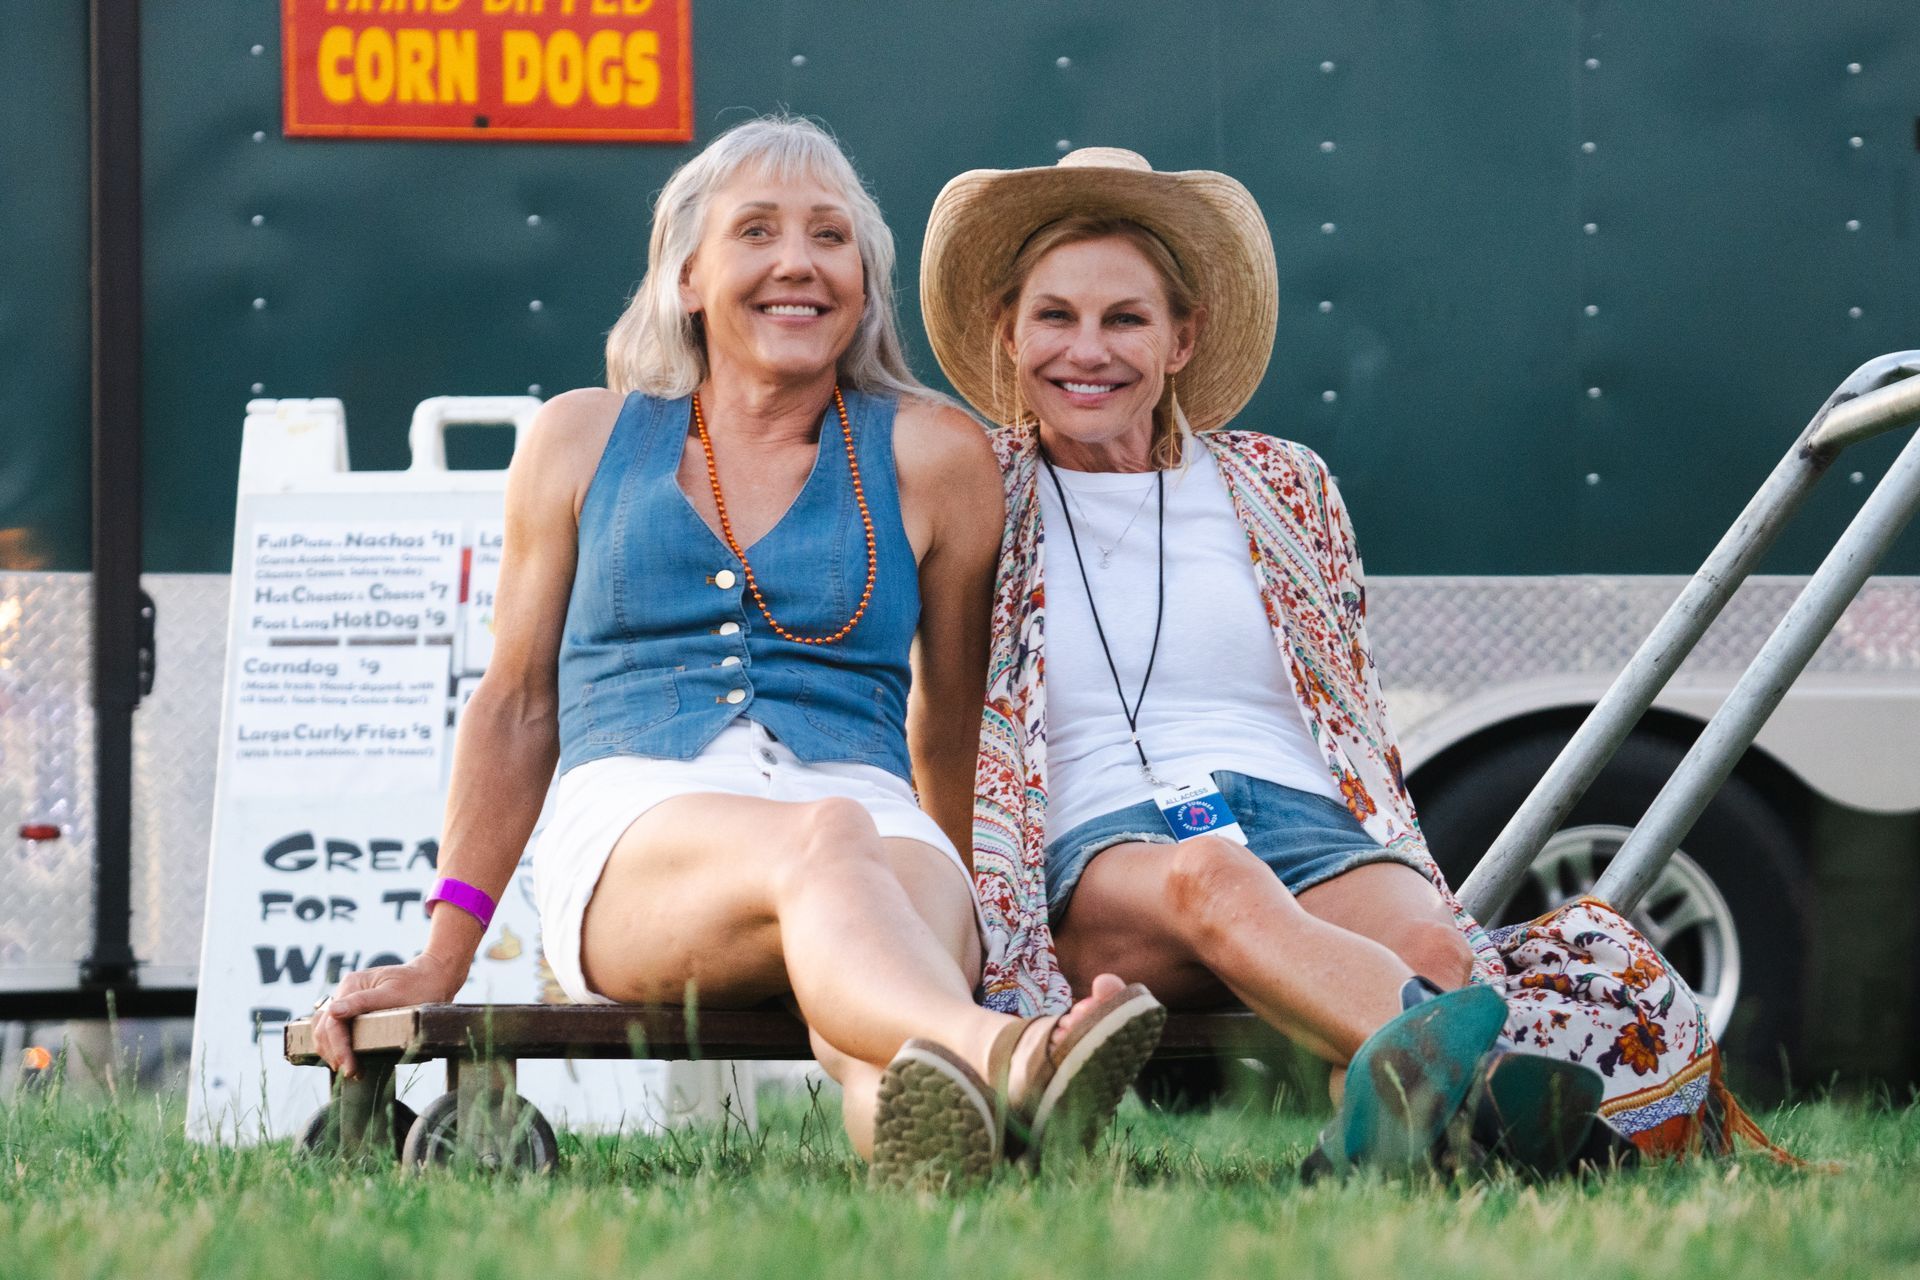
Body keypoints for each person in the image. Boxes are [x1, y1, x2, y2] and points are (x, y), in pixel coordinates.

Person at [311, 117, 1165, 1190]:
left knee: (886, 1026)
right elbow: (519, 705)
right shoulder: (580, 439)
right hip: (643, 823)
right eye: (756, 231)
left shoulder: (935, 455)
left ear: (865, 282)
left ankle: (951, 1166)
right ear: (687, 276)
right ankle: (1019, 1059)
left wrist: (979, 918)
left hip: (873, 809)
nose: (799, 262)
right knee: (827, 843)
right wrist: (446, 951)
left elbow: (949, 725)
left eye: (831, 236)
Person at [921, 148, 1749, 1172]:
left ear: (1182, 339)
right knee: (1214, 876)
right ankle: (1492, 1105)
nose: (1087, 350)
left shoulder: (1282, 482)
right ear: (1009, 332)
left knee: (1441, 949)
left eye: (1125, 318)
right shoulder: (973, 483)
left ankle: (1374, 1151)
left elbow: (1347, 706)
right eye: (1055, 316)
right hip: (1108, 856)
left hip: (1301, 819)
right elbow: (936, 696)